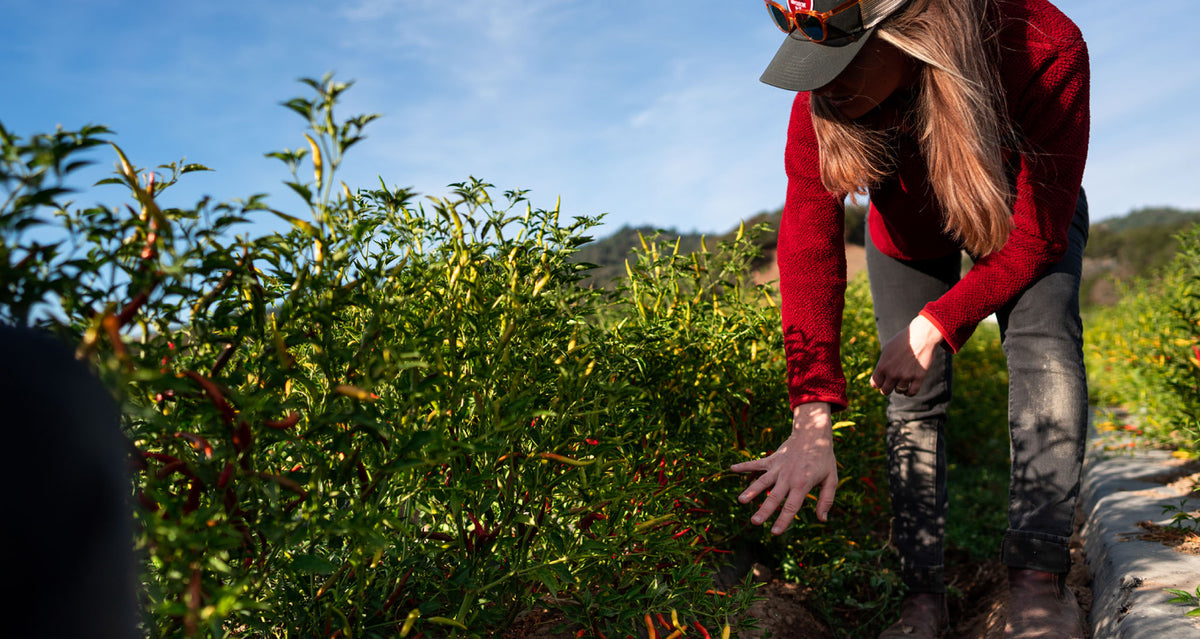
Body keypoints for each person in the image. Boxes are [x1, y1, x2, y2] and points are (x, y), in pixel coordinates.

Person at [729, 0, 1090, 637]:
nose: (823, 82)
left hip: (1022, 217)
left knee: (1044, 349)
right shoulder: (821, 101)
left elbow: (1036, 236)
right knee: (911, 402)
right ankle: (922, 598)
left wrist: (936, 324)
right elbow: (809, 243)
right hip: (906, 234)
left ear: (909, 28)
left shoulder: (1039, 44)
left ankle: (1037, 580)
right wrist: (812, 409)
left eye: (840, 59)